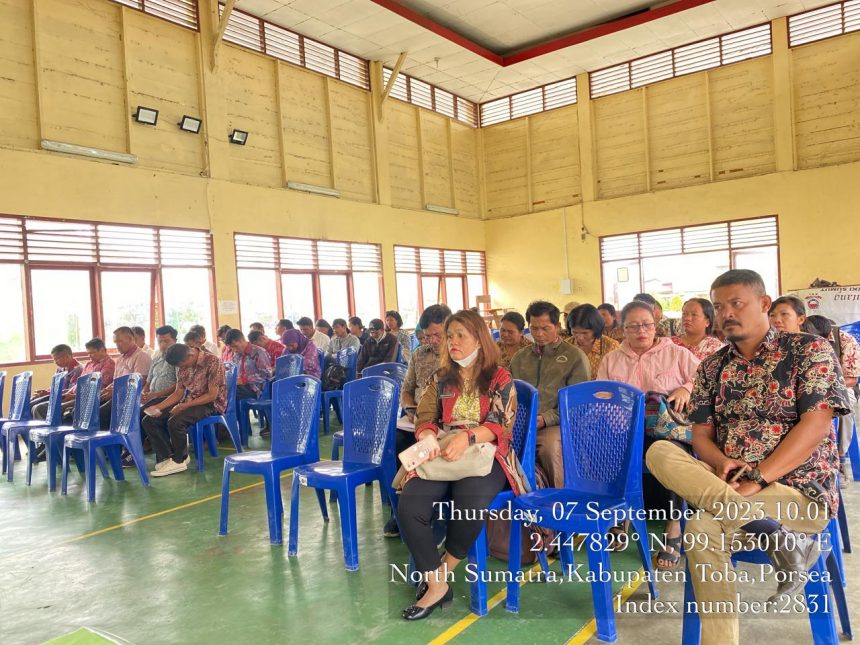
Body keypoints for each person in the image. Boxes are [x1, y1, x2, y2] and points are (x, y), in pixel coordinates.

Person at [646, 270, 849, 645]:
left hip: (798, 491)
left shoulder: (808, 350)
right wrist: (719, 461)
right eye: (720, 306)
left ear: (764, 304)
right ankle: (778, 537)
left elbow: (817, 424)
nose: (727, 313)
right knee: (659, 451)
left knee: (702, 529)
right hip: (730, 484)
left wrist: (759, 478)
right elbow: (701, 434)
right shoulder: (712, 366)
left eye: (736, 303)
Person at [397, 310, 527, 620]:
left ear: (479, 340)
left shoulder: (499, 377)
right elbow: (425, 416)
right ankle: (438, 584)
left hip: (486, 452)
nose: (452, 342)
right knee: (409, 507)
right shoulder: (441, 377)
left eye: (460, 336)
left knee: (469, 502)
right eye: (449, 336)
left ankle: (440, 574)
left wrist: (466, 437)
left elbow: (500, 423)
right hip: (443, 450)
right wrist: (428, 436)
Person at [596, 300, 700, 567]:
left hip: (666, 431)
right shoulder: (611, 360)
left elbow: (703, 378)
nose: (641, 331)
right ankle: (620, 516)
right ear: (623, 330)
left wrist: (686, 388)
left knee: (674, 455)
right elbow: (600, 396)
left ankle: (674, 526)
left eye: (646, 325)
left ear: (656, 326)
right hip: (624, 430)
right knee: (606, 450)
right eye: (633, 326)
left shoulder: (676, 354)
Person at [387, 304, 451, 538]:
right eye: (427, 336)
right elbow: (407, 389)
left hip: (445, 422)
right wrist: (410, 409)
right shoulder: (420, 354)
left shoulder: (459, 353)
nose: (432, 341)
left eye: (437, 335)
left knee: (423, 446)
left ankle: (431, 510)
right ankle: (399, 509)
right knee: (396, 441)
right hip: (417, 419)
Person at [509, 301, 590, 488]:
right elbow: (510, 394)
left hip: (557, 424)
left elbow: (578, 404)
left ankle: (559, 498)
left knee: (549, 447)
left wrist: (545, 419)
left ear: (558, 327)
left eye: (545, 328)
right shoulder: (520, 358)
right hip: (520, 423)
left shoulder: (575, 357)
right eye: (534, 328)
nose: (539, 334)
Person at [141, 343, 227, 477]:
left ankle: (179, 460)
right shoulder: (182, 364)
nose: (181, 369)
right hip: (190, 401)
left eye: (182, 365)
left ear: (190, 355)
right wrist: (158, 407)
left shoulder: (212, 361)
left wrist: (184, 406)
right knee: (149, 420)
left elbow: (212, 395)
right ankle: (169, 457)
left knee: (175, 422)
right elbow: (178, 393)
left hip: (210, 404)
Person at [98, 327, 152, 430]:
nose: (117, 345)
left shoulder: (141, 356)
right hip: (117, 395)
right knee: (90, 407)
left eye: (120, 341)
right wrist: (106, 390)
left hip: (130, 398)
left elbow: (139, 384)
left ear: (131, 339)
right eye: (115, 342)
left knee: (101, 413)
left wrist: (115, 392)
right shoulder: (120, 359)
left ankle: (112, 439)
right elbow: (115, 382)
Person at [565, 304, 620, 377]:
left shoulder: (611, 346)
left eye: (585, 333)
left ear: (596, 329)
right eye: (575, 332)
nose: (580, 337)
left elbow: (617, 376)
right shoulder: (566, 346)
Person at [30, 344, 82, 417]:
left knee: (38, 408)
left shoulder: (78, 370)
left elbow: (70, 391)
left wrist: (48, 393)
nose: (55, 362)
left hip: (65, 398)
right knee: (30, 402)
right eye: (54, 359)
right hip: (55, 396)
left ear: (67, 357)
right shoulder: (60, 369)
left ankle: (46, 424)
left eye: (57, 359)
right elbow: (54, 386)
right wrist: (44, 392)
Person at [225, 328, 272, 401]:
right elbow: (233, 372)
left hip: (256, 388)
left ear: (241, 340)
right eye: (231, 348)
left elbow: (267, 375)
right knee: (222, 389)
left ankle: (232, 409)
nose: (234, 350)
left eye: (235, 346)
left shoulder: (259, 352)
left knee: (230, 392)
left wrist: (244, 379)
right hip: (241, 386)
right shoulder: (236, 355)